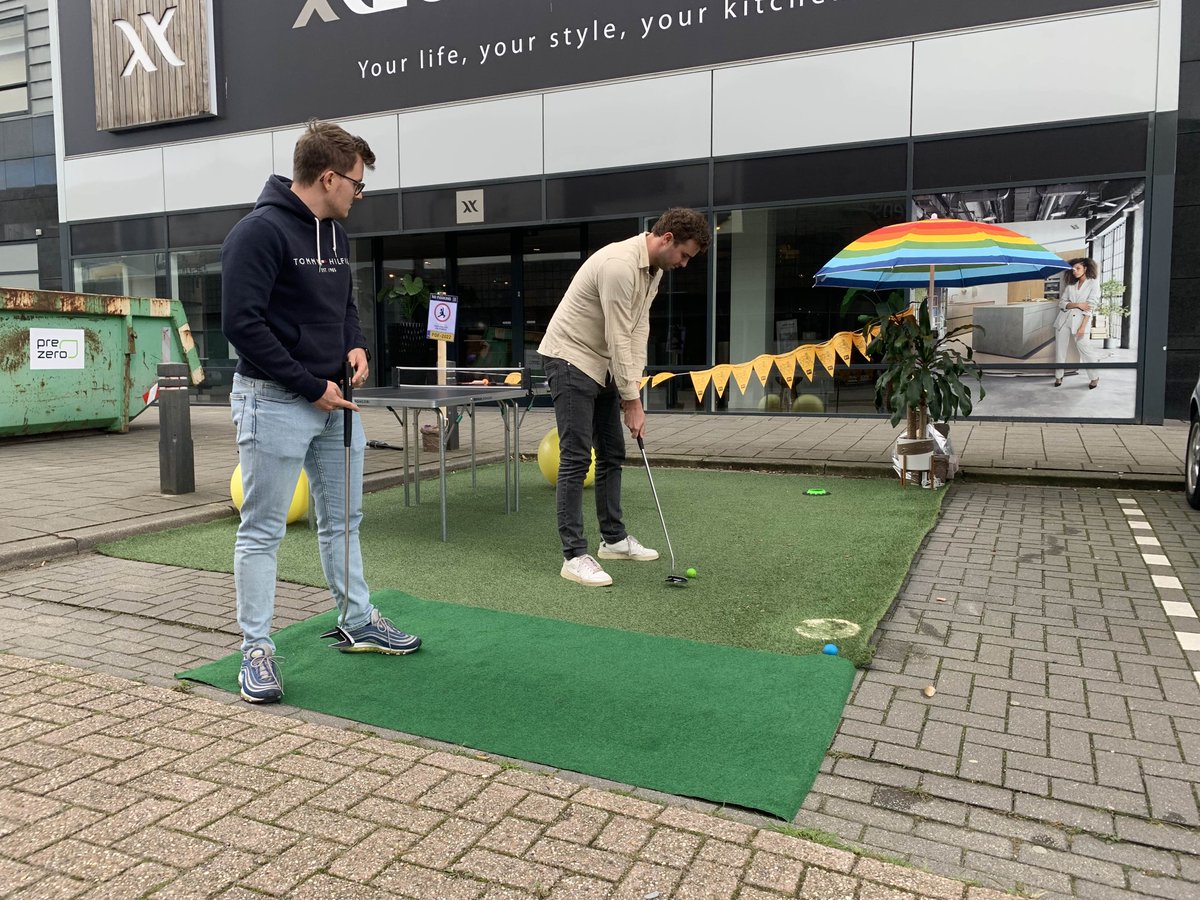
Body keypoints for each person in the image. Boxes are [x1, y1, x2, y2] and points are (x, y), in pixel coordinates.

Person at [221, 120, 420, 704]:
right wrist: (309, 385)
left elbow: (344, 305)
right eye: (357, 184)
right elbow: (243, 326)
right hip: (277, 400)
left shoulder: (336, 233)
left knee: (343, 521)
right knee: (261, 531)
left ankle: (357, 618)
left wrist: (355, 344)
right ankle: (255, 650)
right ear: (328, 177)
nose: (360, 194)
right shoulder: (257, 233)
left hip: (336, 403)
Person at [538, 208, 711, 586]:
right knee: (576, 456)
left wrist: (633, 388)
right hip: (570, 358)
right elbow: (618, 335)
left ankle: (613, 540)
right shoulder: (619, 265)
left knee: (613, 452)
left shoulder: (655, 271)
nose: (684, 263)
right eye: (684, 255)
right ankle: (574, 555)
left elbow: (638, 329)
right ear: (667, 239)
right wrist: (630, 401)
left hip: (601, 362)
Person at [1053, 257, 1102, 389]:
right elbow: (1061, 303)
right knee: (1060, 350)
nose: (1075, 271)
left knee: (1085, 349)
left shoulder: (1093, 283)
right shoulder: (1070, 285)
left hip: (1081, 322)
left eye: (1078, 268)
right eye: (1073, 269)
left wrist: (1082, 327)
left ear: (1085, 268)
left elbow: (1090, 306)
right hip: (1063, 320)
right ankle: (1059, 376)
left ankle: (1094, 377)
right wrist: (1078, 304)